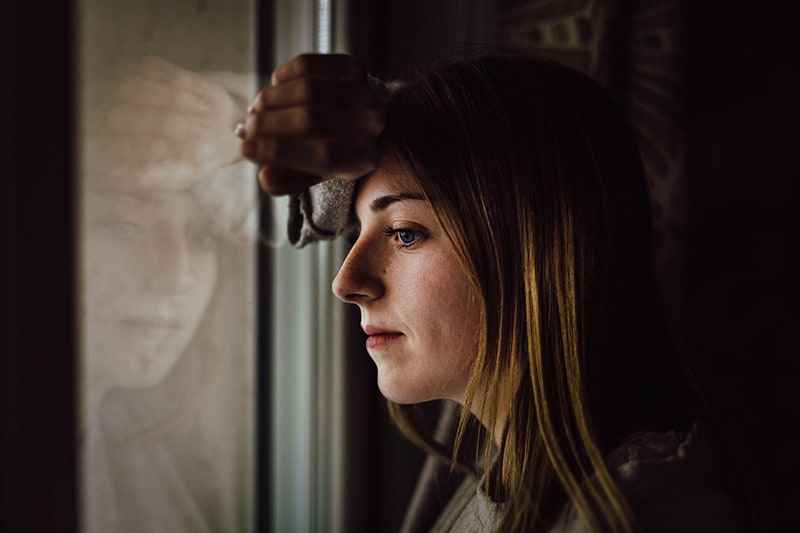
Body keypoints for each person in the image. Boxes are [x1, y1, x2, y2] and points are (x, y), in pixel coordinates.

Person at [239, 53, 745, 532]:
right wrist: (368, 116)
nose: (346, 284)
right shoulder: (504, 454)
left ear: (537, 248)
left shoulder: (633, 511)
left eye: (405, 233)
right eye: (359, 231)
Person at [81, 55, 257, 533]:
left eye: (201, 236)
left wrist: (235, 122)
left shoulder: (154, 450)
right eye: (122, 225)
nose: (175, 276)